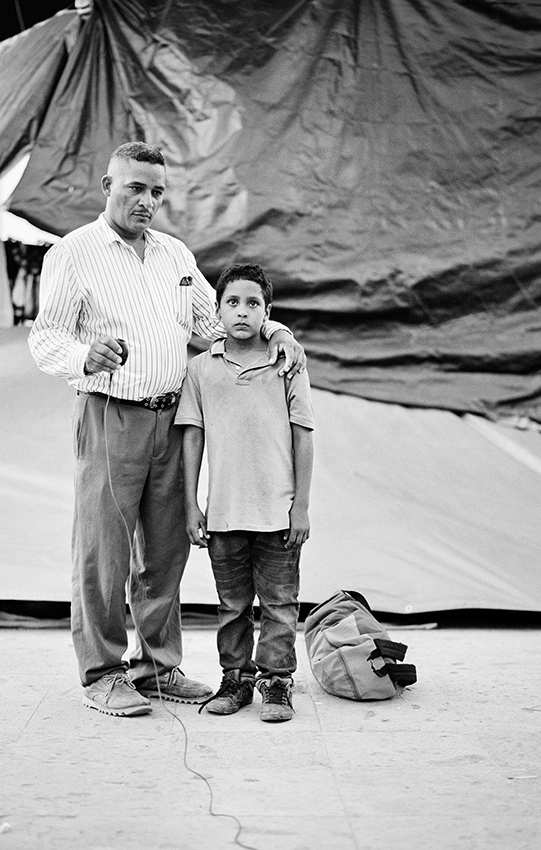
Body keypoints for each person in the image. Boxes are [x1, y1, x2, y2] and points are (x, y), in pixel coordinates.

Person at [28, 142, 307, 717]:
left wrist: (274, 330)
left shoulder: (174, 255)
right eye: (135, 188)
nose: (147, 201)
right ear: (108, 186)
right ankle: (103, 673)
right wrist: (83, 355)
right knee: (104, 552)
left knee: (166, 551)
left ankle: (156, 667)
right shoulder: (73, 253)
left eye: (156, 191)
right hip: (110, 413)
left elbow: (216, 320)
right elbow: (45, 336)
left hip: (175, 417)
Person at [176, 263, 314, 722]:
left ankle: (276, 682)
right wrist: (191, 504)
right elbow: (192, 436)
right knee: (232, 605)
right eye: (232, 302)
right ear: (217, 311)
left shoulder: (288, 363)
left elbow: (303, 435)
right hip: (224, 513)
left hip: (278, 512)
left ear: (267, 312)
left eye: (253, 303)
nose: (242, 311)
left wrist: (301, 506)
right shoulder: (200, 369)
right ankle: (235, 680)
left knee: (279, 604)